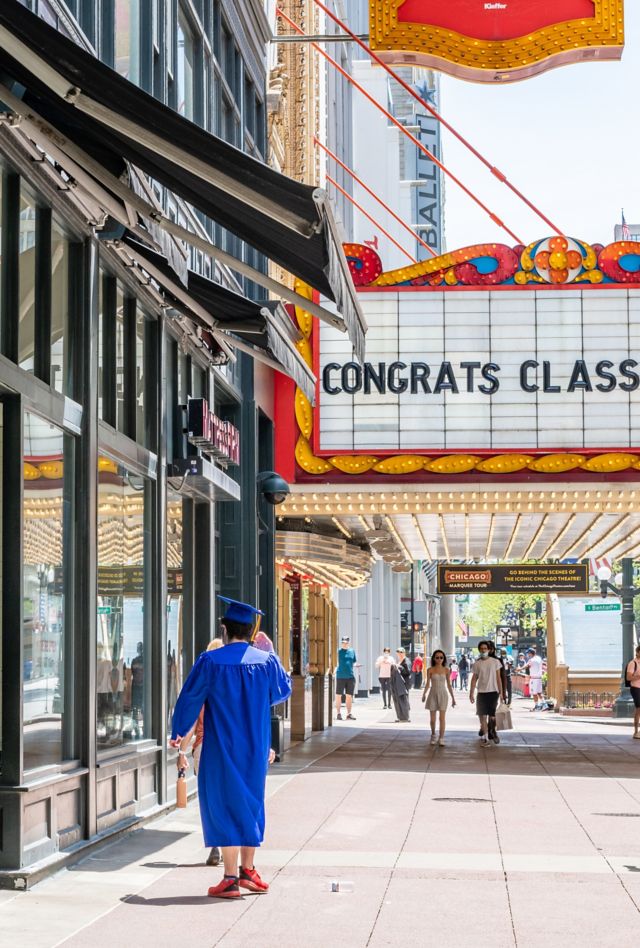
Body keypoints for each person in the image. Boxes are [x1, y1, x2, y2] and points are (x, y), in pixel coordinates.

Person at [170, 596, 292, 899]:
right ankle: (249, 871)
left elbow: (190, 698)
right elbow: (282, 691)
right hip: (254, 745)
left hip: (220, 747)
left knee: (222, 805)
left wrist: (178, 730)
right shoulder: (266, 662)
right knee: (251, 803)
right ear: (251, 632)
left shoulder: (210, 662)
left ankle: (229, 878)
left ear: (224, 629)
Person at [177, 637, 224, 867]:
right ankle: (228, 846)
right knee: (226, 796)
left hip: (203, 749)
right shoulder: (229, 688)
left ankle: (215, 844)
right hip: (227, 749)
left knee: (209, 798)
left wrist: (182, 752)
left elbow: (193, 725)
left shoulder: (203, 688)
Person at [469, 640, 505, 746]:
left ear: (489, 650)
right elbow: (474, 678)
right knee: (482, 716)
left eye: (485, 648)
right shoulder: (477, 664)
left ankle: (492, 730)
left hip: (493, 692)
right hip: (481, 693)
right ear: (479, 650)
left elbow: (499, 678)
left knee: (492, 715)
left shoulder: (495, 662)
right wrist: (471, 692)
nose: (483, 650)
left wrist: (501, 693)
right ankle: (486, 739)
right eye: (481, 649)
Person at [422, 649, 456, 746]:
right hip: (433, 693)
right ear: (434, 658)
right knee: (433, 719)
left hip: (443, 694)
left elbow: (449, 685)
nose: (439, 659)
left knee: (442, 718)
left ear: (443, 658)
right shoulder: (430, 670)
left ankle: (441, 737)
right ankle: (433, 735)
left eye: (441, 657)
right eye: (437, 657)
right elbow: (428, 684)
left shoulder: (446, 670)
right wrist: (424, 694)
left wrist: (453, 698)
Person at [335, 636, 358, 720]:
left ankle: (349, 714)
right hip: (340, 676)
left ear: (348, 642)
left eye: (346, 642)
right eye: (343, 642)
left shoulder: (352, 651)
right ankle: (338, 713)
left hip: (350, 676)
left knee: (349, 696)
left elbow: (353, 662)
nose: (344, 644)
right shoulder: (338, 651)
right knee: (338, 695)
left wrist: (356, 665)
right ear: (341, 642)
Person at [390, 648, 411, 722]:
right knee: (400, 700)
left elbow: (408, 672)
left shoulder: (406, 661)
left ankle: (405, 717)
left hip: (404, 683)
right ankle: (401, 716)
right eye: (398, 652)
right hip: (399, 683)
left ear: (404, 653)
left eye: (401, 652)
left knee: (404, 699)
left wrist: (400, 667)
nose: (400, 654)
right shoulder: (400, 661)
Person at [626, 645, 640, 739]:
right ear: (638, 652)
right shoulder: (633, 663)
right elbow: (628, 677)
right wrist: (638, 677)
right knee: (639, 709)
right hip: (636, 688)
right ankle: (636, 732)